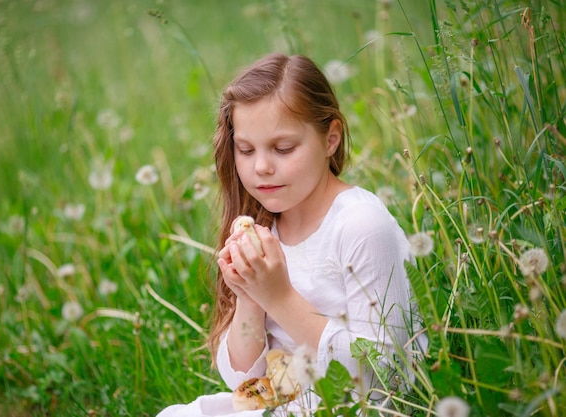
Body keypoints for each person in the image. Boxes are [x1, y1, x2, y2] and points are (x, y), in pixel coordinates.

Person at [157, 53, 423, 417]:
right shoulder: (264, 224)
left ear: (330, 139)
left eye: (283, 148)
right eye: (246, 150)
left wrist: (278, 296)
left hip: (349, 406)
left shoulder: (360, 225)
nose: (262, 167)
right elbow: (242, 382)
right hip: (282, 396)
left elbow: (385, 374)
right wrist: (249, 296)